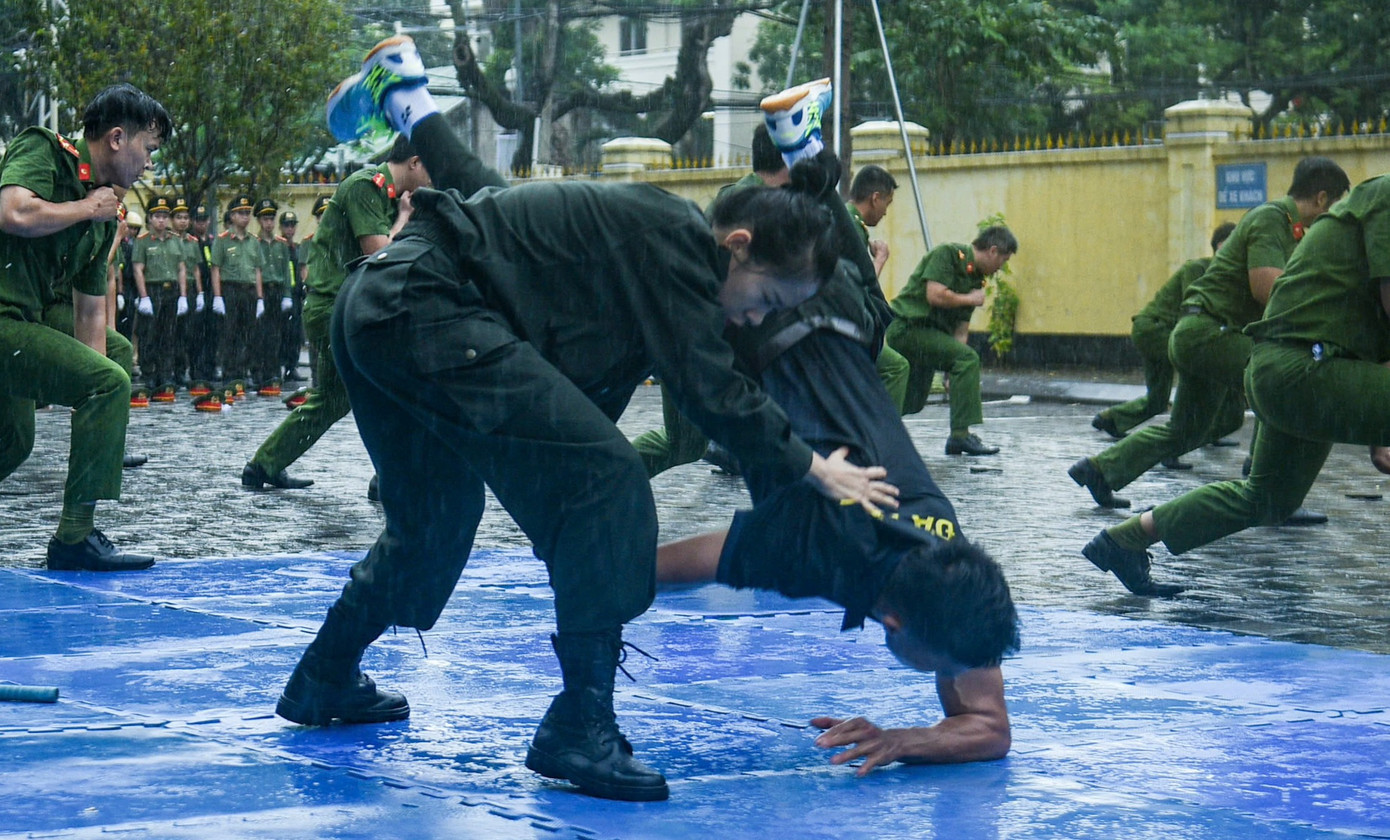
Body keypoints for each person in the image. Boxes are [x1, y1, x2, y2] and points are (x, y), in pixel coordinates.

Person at [274, 37, 897, 804]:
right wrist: (814, 467)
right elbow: (714, 393)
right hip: (418, 309)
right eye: (762, 300)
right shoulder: (676, 246)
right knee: (606, 480)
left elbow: (478, 189)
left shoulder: (650, 260)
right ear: (738, 245)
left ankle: (323, 675)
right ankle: (580, 725)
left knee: (433, 523)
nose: (753, 318)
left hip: (380, 310)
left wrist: (419, 113)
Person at [656, 320, 1019, 770]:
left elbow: (990, 728)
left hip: (825, 317)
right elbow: (642, 570)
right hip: (727, 322)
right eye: (944, 668)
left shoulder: (953, 575)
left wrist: (900, 741)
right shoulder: (815, 547)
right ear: (893, 624)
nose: (957, 675)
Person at [1082, 173, 1390, 597]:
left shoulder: (1326, 223)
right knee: (1189, 427)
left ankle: (1125, 539)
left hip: (1285, 365)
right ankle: (1104, 471)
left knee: (1266, 497)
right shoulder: (1290, 215)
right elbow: (1268, 287)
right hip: (1281, 357)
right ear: (1320, 196)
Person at [1069, 157, 1349, 512]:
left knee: (1188, 429)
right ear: (1322, 198)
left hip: (1202, 334)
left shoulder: (1289, 229)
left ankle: (1100, 471)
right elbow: (1266, 287)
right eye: (1336, 204)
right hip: (1211, 332)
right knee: (1279, 381)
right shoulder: (1272, 218)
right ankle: (1272, 490)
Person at [0, 82, 170, 571]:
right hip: (5, 315)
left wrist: (90, 403)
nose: (149, 164)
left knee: (17, 439)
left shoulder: (104, 210)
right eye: (148, 149)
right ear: (116, 139)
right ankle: (74, 538)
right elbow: (12, 212)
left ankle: (79, 524)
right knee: (108, 382)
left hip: (26, 317)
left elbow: (90, 313)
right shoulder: (45, 152)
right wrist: (85, 209)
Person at [242, 135, 435, 491]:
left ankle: (265, 464)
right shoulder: (366, 187)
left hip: (348, 306)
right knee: (383, 386)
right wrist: (405, 218)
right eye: (430, 170)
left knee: (333, 399)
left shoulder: (389, 196)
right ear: (415, 162)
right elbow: (379, 254)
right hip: (336, 306)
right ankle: (389, 478)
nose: (432, 179)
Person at [1091, 222, 1236, 468]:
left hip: (1161, 331)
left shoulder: (1225, 275)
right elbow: (1196, 307)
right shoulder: (1198, 269)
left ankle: (1111, 420)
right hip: (1155, 329)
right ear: (1221, 246)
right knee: (1199, 372)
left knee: (1158, 400)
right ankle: (1176, 443)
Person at [885, 226, 1018, 455]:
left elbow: (960, 331)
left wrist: (951, 372)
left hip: (930, 338)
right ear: (993, 251)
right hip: (908, 327)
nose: (1000, 268)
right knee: (968, 359)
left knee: (913, 399)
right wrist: (969, 299)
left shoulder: (976, 279)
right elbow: (935, 295)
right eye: (1003, 260)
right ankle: (960, 435)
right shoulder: (947, 254)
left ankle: (870, 425)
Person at [130, 194, 188, 400]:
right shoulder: (143, 242)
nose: (161, 220)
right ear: (150, 218)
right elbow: (138, 269)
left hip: (171, 290)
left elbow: (181, 268)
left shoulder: (176, 241)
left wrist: (183, 296)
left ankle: (166, 374)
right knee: (149, 335)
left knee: (169, 334)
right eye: (157, 216)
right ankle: (149, 374)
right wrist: (144, 296)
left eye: (164, 216)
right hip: (152, 290)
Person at [210, 194, 264, 393]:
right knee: (229, 333)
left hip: (249, 291)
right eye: (241, 213)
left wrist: (260, 298)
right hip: (230, 289)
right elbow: (216, 268)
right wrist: (218, 296)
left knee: (248, 334)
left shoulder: (254, 241)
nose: (245, 217)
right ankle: (229, 373)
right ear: (232, 216)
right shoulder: (223, 240)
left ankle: (244, 373)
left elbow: (257, 270)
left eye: (247, 213)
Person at [251, 197, 293, 396]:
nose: (269, 223)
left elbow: (286, 270)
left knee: (276, 334)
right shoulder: (254, 243)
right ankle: (258, 372)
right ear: (259, 221)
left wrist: (287, 294)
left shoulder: (281, 244)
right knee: (258, 333)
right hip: (261, 291)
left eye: (271, 219)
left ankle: (273, 372)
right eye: (265, 219)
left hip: (277, 291)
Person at [278, 209, 305, 383]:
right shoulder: (278, 246)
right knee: (280, 333)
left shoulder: (297, 248)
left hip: (295, 295)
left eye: (292, 225)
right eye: (287, 225)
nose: (290, 229)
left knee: (295, 333)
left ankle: (291, 366)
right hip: (281, 294)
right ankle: (277, 366)